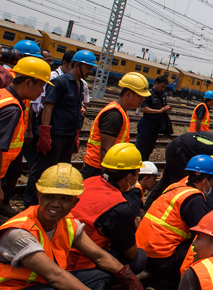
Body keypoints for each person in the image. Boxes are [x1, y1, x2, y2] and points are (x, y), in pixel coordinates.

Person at [0, 163, 144, 290]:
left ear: (75, 202)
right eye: (50, 196)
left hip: (41, 285)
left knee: (102, 277)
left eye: (65, 199)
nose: (56, 204)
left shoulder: (67, 223)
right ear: (39, 196)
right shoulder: (20, 232)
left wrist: (126, 275)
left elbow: (98, 255)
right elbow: (55, 276)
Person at [28, 49, 97, 207]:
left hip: (68, 135)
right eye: (88, 67)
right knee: (42, 170)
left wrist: (76, 135)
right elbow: (48, 107)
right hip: (56, 134)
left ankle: (50, 200)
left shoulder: (80, 85)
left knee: (60, 170)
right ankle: (31, 202)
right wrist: (45, 133)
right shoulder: (61, 82)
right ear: (78, 65)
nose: (90, 71)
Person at [67, 143, 146, 275]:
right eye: (137, 174)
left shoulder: (88, 182)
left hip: (60, 253)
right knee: (140, 258)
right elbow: (130, 253)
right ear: (129, 178)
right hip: (80, 265)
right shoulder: (119, 206)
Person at [135, 155, 213, 279]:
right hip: (161, 260)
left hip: (142, 253)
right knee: (206, 243)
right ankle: (175, 282)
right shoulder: (194, 199)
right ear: (205, 181)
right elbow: (204, 232)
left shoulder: (174, 187)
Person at [145, 130, 213, 209]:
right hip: (179, 151)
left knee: (166, 180)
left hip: (178, 148)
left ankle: (148, 206)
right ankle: (170, 208)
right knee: (183, 185)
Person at [0, 57, 52, 206]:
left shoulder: (4, 95)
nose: (42, 91)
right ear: (28, 82)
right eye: (41, 85)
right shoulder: (12, 109)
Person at [81, 72, 151, 179]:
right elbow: (106, 149)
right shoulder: (114, 114)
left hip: (101, 166)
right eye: (140, 96)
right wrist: (106, 176)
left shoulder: (121, 112)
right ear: (128, 94)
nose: (143, 99)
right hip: (97, 168)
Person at [135, 75, 172, 161]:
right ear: (156, 83)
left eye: (164, 87)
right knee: (141, 147)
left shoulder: (162, 95)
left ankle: (144, 165)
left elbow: (163, 107)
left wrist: (166, 109)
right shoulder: (148, 93)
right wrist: (159, 111)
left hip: (156, 125)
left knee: (149, 148)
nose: (163, 89)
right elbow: (144, 108)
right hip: (147, 123)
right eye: (162, 86)